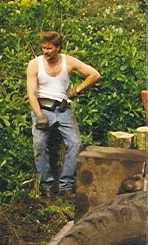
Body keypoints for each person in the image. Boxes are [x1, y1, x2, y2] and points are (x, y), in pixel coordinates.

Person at [25, 31, 101, 197]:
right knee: (39, 144)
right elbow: (31, 93)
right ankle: (46, 186)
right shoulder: (35, 64)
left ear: (58, 48)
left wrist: (76, 90)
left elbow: (95, 75)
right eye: (43, 48)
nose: (45, 51)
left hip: (62, 108)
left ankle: (65, 186)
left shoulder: (68, 61)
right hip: (41, 108)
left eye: (49, 48)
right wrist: (39, 115)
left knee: (75, 143)